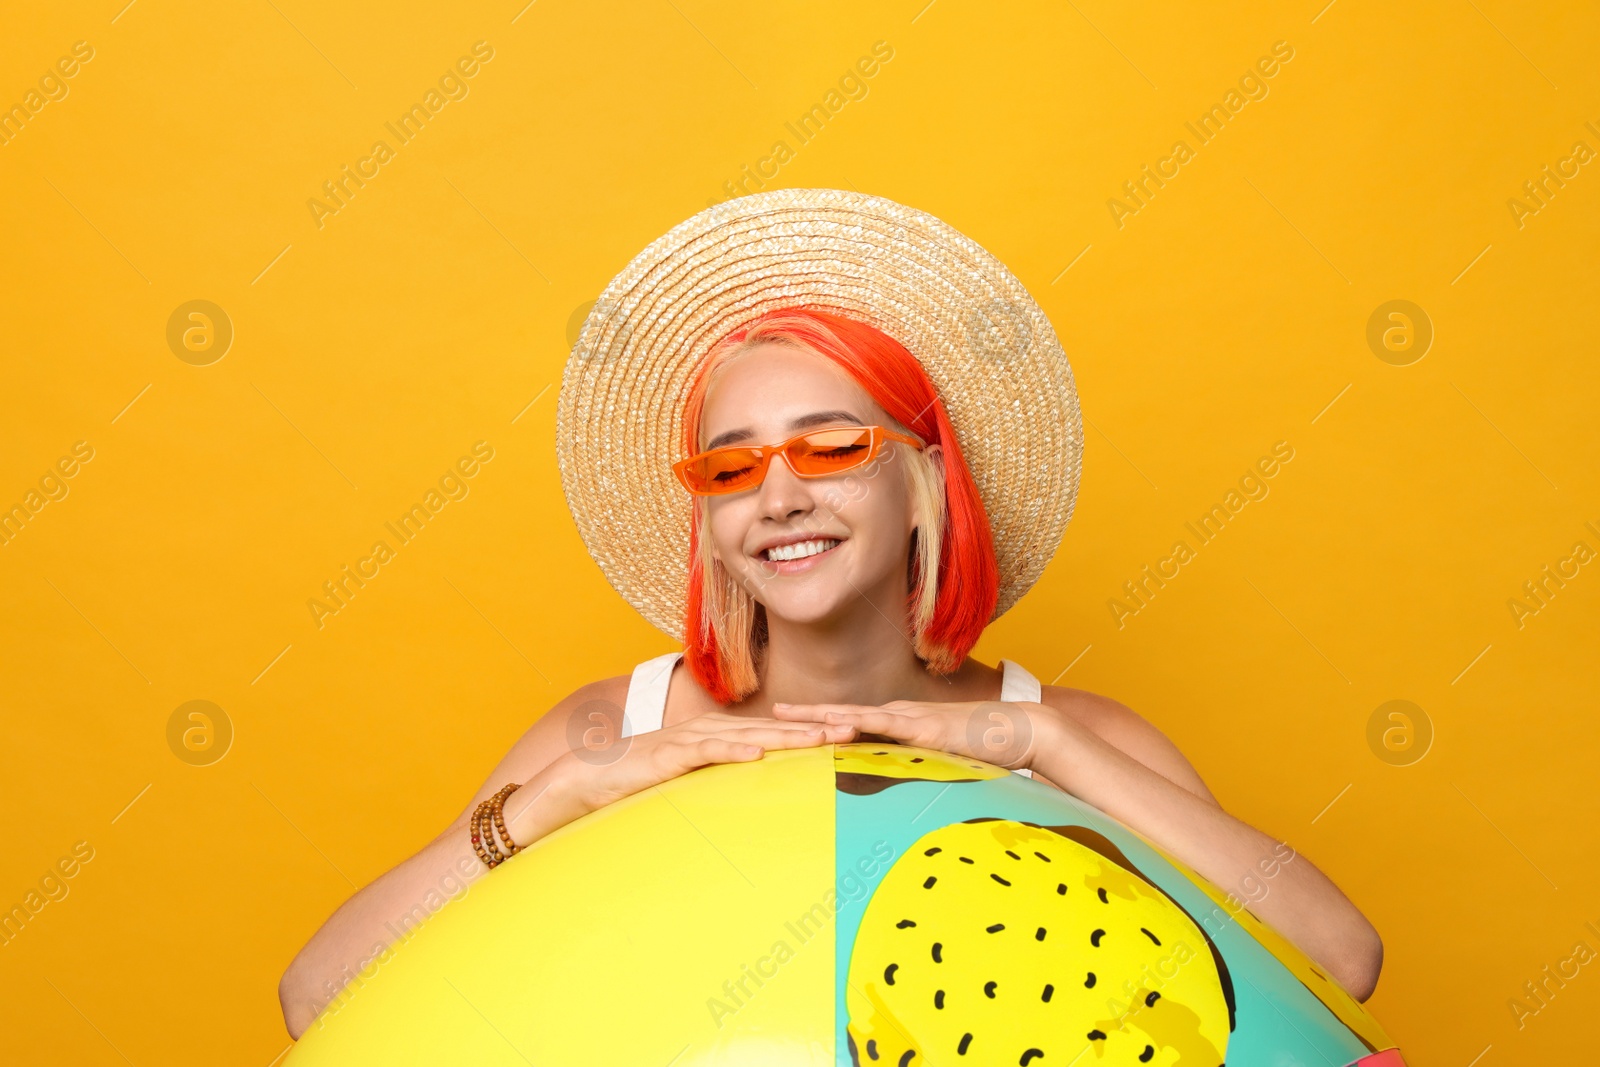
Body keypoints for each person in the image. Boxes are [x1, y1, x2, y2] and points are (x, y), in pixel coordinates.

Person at [277, 190, 1382, 1040]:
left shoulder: (1079, 732)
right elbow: (316, 995)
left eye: (834, 445)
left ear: (924, 485)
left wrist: (1040, 743)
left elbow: (1342, 953)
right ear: (706, 514)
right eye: (731, 464)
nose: (780, 496)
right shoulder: (611, 723)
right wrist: (558, 796)